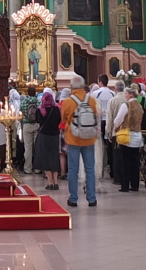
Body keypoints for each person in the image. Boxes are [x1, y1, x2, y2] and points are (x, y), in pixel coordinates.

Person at [61, 75, 99, 208]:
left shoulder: (68, 101)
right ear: (83, 86)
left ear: (71, 86)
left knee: (73, 169)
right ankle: (92, 198)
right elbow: (96, 115)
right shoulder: (92, 100)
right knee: (90, 169)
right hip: (89, 138)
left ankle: (73, 198)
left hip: (73, 138)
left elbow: (64, 119)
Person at [112, 85, 144, 192]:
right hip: (138, 136)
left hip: (127, 136)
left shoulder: (126, 105)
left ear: (130, 94)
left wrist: (115, 126)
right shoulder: (139, 106)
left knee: (125, 161)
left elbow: (118, 119)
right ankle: (135, 185)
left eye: (126, 93)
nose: (125, 95)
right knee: (135, 161)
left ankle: (125, 185)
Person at [33, 90, 62, 190]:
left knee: (46, 158)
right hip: (54, 135)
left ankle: (49, 182)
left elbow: (37, 120)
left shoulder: (40, 110)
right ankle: (56, 182)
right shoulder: (57, 109)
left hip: (44, 135)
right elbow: (59, 120)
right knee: (54, 157)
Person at [90, 76, 116, 178]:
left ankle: (101, 167)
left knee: (101, 145)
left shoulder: (95, 94)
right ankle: (112, 168)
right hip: (111, 121)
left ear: (100, 82)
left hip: (100, 121)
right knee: (110, 146)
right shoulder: (113, 93)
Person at [106, 80, 126, 185]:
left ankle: (118, 178)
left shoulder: (113, 101)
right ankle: (127, 177)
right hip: (128, 132)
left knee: (117, 156)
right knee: (126, 156)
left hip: (116, 132)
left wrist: (108, 132)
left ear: (115, 89)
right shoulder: (129, 99)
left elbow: (110, 118)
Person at [20, 86, 40, 175]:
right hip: (36, 125)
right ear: (35, 92)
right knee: (37, 146)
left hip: (27, 125)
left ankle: (28, 168)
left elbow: (21, 113)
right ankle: (37, 168)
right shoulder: (38, 101)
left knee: (28, 148)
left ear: (27, 93)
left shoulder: (24, 102)